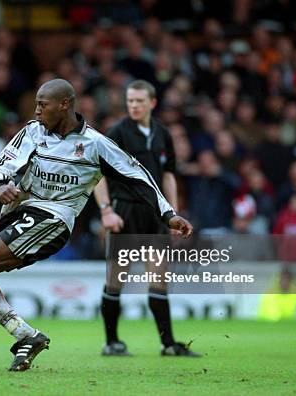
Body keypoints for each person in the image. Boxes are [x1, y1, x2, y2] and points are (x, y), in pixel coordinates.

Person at [0, 79, 193, 372]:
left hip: (54, 219)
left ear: (65, 105)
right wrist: (1, 185)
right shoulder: (33, 131)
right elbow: (2, 163)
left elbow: (139, 177)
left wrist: (168, 215)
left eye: (43, 104)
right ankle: (25, 336)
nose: (37, 110)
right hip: (20, 213)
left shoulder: (96, 144)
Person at [93, 80, 200, 357]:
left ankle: (168, 345)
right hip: (125, 212)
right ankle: (111, 342)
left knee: (159, 279)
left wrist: (173, 214)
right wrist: (106, 210)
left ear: (152, 103)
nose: (134, 105)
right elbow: (97, 175)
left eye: (139, 101)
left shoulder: (162, 133)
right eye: (130, 101)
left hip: (154, 215)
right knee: (116, 280)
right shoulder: (117, 133)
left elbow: (167, 175)